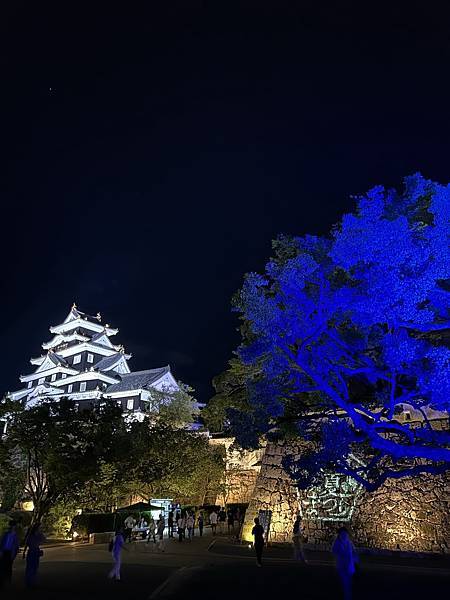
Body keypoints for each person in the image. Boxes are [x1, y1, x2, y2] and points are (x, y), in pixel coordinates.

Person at [332, 527, 358, 600]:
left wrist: (354, 558)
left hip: (348, 565)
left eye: (345, 534)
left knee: (347, 583)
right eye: (343, 534)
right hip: (343, 565)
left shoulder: (347, 542)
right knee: (345, 583)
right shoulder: (338, 542)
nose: (344, 535)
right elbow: (334, 551)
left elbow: (353, 551)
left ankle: (347, 596)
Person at [23, 523, 46, 588]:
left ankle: (30, 581)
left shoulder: (34, 535)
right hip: (33, 551)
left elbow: (43, 540)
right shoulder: (33, 535)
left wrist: (24, 552)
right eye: (40, 528)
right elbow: (43, 540)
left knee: (32, 567)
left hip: (34, 551)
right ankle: (30, 582)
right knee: (32, 567)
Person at [0, 520, 20, 587]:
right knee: (3, 566)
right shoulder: (6, 534)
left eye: (13, 526)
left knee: (8, 567)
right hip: (4, 551)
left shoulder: (15, 536)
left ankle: (7, 581)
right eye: (11, 526)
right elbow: (2, 542)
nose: (11, 527)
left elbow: (16, 545)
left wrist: (14, 554)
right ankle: (3, 581)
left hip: (10, 552)